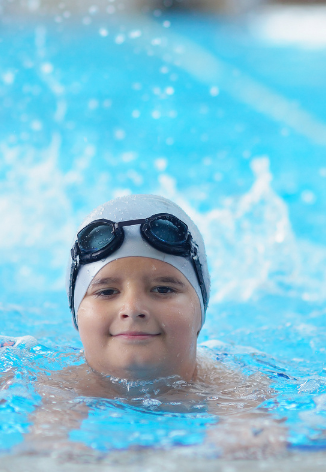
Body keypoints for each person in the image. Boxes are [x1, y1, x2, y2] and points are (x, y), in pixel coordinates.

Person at [17, 194, 284, 457]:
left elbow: (258, 437)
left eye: (162, 289)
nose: (132, 309)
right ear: (77, 314)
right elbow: (41, 444)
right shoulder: (54, 390)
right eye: (107, 292)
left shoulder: (232, 390)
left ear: (200, 310)